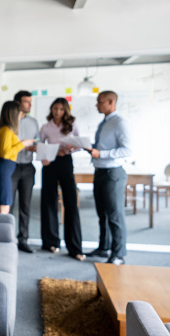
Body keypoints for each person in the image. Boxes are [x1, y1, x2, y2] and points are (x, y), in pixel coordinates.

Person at [85, 91, 132, 265]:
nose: (97, 105)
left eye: (100, 101)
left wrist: (101, 153)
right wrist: (90, 148)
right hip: (100, 172)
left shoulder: (120, 123)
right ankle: (104, 247)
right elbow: (102, 146)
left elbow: (128, 150)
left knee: (115, 215)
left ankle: (118, 254)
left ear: (111, 102)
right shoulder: (104, 123)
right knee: (102, 214)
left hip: (113, 174)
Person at [39, 98, 85, 261]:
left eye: (61, 109)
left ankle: (75, 247)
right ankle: (50, 242)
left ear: (66, 111)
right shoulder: (45, 127)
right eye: (55, 109)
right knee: (49, 201)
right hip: (50, 164)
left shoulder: (72, 124)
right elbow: (40, 144)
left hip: (66, 162)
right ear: (51, 109)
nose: (58, 112)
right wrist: (44, 156)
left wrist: (70, 149)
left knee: (71, 202)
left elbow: (80, 143)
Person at [0, 101, 35, 214]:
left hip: (6, 168)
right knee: (4, 206)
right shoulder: (6, 130)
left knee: (4, 205)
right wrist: (23, 144)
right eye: (19, 111)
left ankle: (2, 231)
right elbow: (6, 153)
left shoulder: (7, 130)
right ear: (13, 113)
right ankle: (2, 231)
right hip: (4, 168)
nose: (21, 113)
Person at [11, 90, 39, 253]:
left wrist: (35, 147)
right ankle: (7, 238)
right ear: (18, 103)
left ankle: (23, 239)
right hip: (12, 167)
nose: (30, 104)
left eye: (30, 101)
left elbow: (36, 142)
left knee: (25, 205)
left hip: (28, 167)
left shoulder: (34, 122)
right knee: (9, 204)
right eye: (27, 101)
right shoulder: (9, 121)